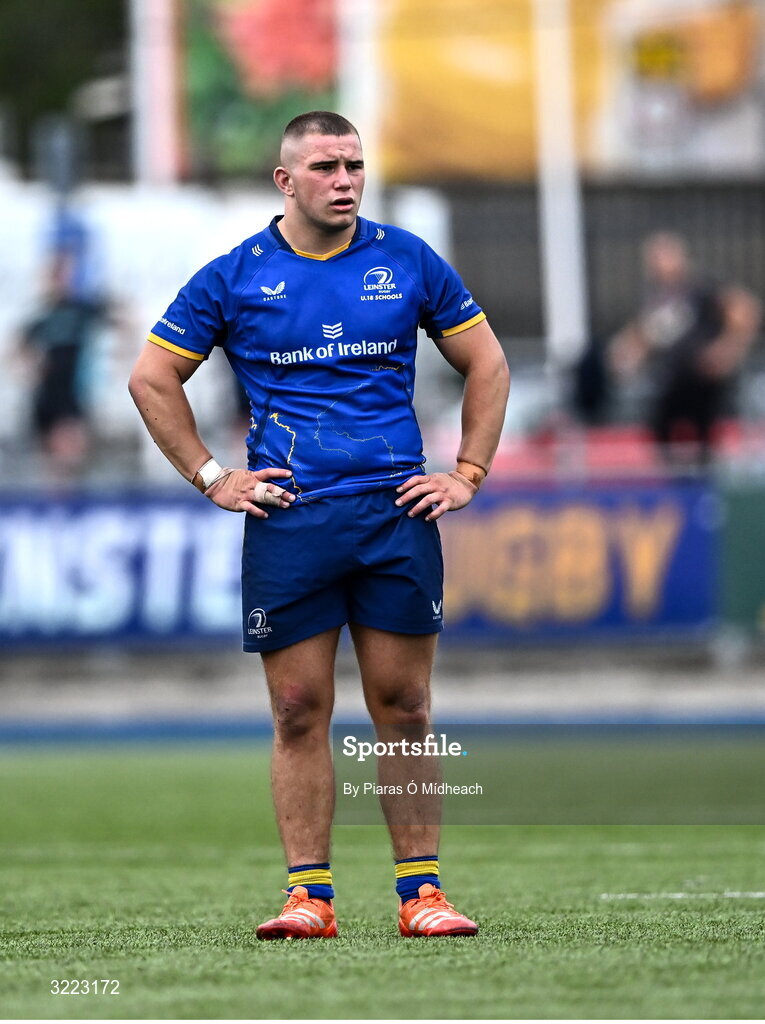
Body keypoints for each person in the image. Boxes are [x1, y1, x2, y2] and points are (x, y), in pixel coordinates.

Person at [128, 111, 510, 940]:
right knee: (298, 707)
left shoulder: (405, 259)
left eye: (355, 165)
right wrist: (213, 477)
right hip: (291, 520)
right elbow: (153, 378)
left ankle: (423, 895)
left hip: (394, 515)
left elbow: (487, 361)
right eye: (327, 166)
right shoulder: (235, 277)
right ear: (285, 180)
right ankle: (310, 897)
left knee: (403, 705)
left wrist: (467, 472)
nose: (344, 180)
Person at [609, 231, 761, 464]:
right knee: (661, 432)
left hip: (704, 381)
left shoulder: (702, 287)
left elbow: (745, 310)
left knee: (704, 440)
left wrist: (727, 349)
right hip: (672, 380)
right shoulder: (657, 298)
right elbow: (644, 334)